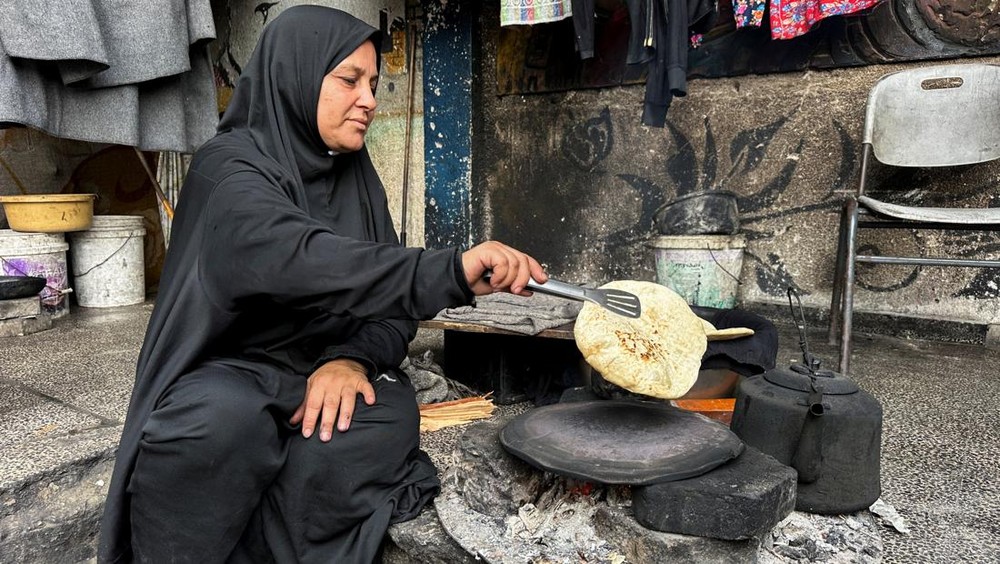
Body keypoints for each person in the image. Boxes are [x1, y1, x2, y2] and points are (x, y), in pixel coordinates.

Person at [97, 6, 546, 563]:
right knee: (213, 429)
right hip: (235, 371)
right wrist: (447, 271)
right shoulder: (228, 171)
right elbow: (303, 260)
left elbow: (389, 313)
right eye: (349, 80)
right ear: (297, 76)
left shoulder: (354, 173)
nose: (369, 100)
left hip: (322, 370)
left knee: (378, 423)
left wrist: (351, 360)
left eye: (375, 84)